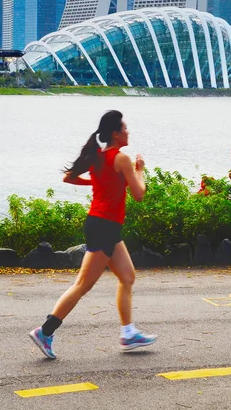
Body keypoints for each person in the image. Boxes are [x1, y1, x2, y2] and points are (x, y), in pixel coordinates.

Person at [29, 110, 157, 359]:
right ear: (115, 133)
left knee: (128, 277)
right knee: (82, 285)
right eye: (125, 128)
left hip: (103, 225)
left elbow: (69, 177)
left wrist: (96, 182)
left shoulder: (98, 157)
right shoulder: (122, 159)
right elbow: (139, 194)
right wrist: (140, 170)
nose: (128, 132)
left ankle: (128, 332)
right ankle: (45, 331)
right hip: (104, 227)